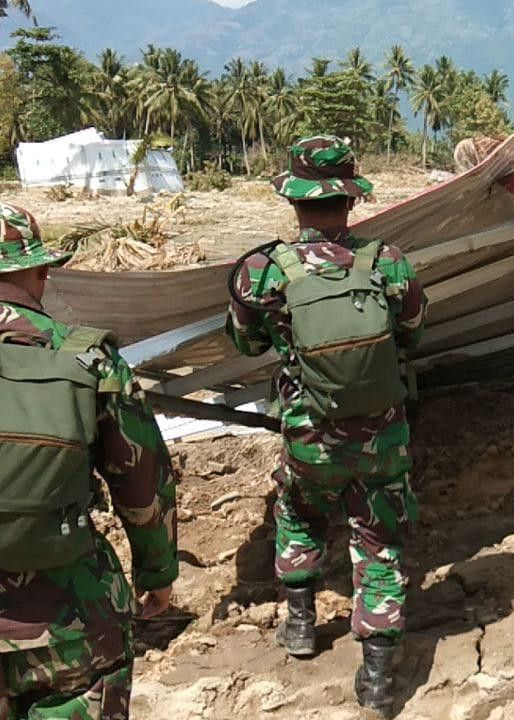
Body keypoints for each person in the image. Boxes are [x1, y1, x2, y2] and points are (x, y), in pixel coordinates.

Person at [226, 136, 427, 716]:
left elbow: (245, 340)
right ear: (350, 202)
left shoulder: (264, 270)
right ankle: (379, 678)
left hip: (308, 436)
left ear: (294, 201)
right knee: (379, 539)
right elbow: (414, 331)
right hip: (382, 437)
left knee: (298, 511)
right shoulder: (386, 261)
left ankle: (300, 625)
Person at [0, 203, 177, 719]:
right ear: (41, 271)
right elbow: (143, 481)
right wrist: (157, 573)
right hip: (72, 623)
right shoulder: (88, 359)